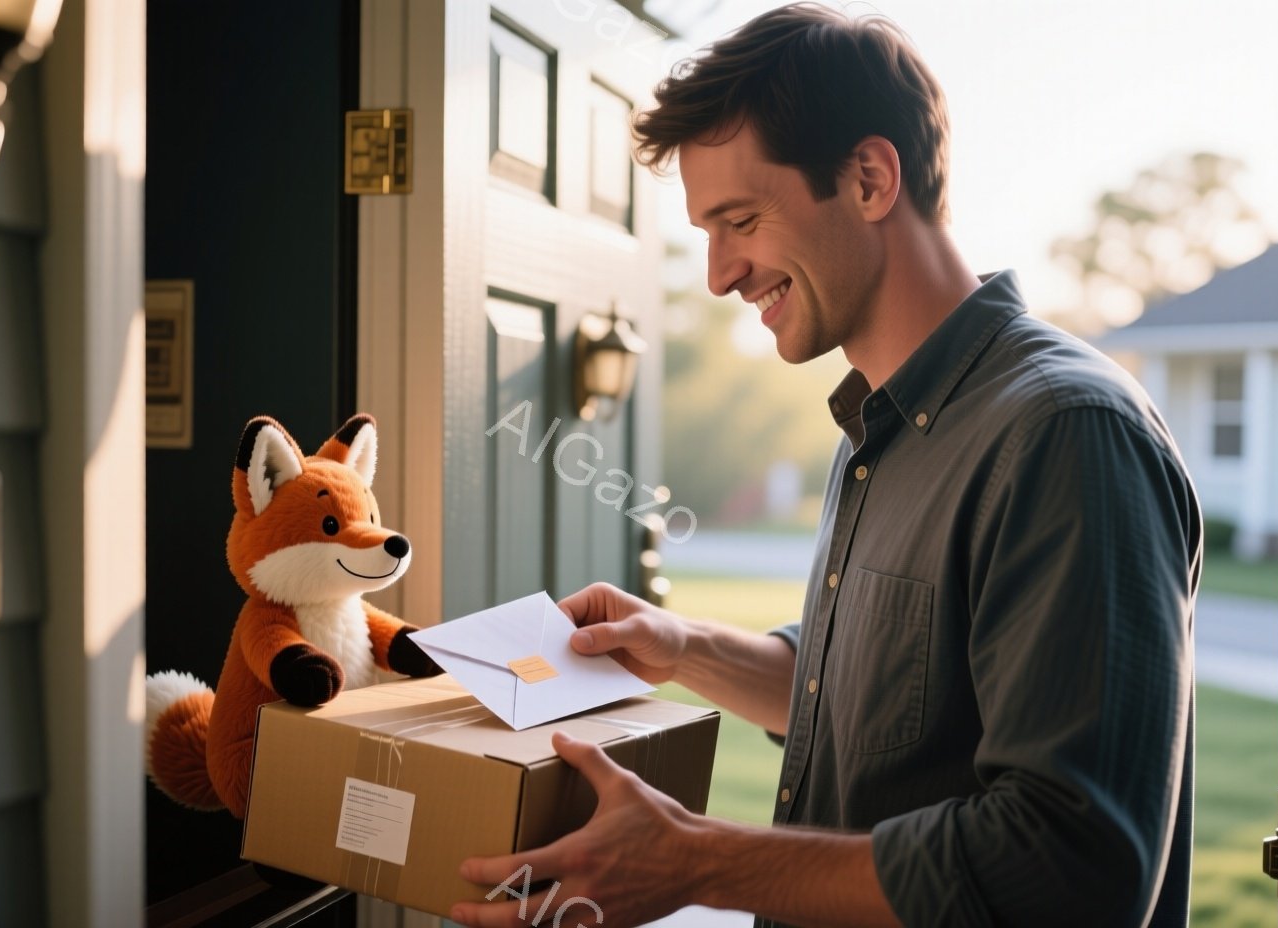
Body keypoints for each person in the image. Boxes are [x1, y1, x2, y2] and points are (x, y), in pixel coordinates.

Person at [453, 4, 1199, 926]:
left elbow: (1070, 869)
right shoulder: (879, 428)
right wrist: (685, 649)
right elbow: (871, 695)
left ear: (869, 177)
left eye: (741, 220)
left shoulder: (1063, 433)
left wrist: (699, 864)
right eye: (707, 234)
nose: (722, 274)